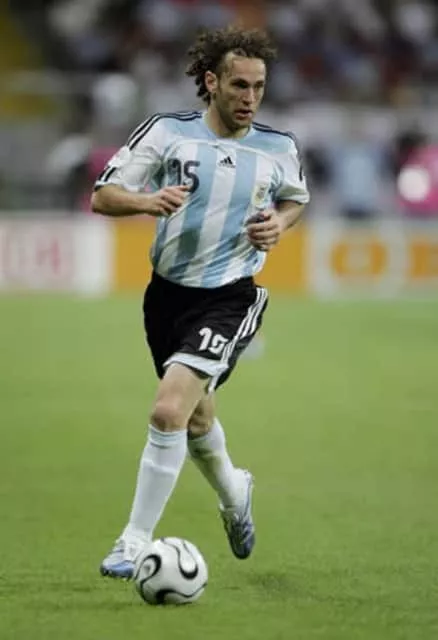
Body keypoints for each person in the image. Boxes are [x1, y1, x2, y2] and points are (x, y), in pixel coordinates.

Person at [91, 25, 309, 580]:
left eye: (259, 87)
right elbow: (103, 196)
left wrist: (278, 224)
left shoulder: (279, 147)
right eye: (239, 85)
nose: (250, 98)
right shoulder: (168, 133)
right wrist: (147, 201)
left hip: (231, 297)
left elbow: (295, 200)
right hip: (166, 297)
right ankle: (236, 491)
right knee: (194, 419)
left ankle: (133, 542)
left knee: (168, 410)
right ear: (211, 82)